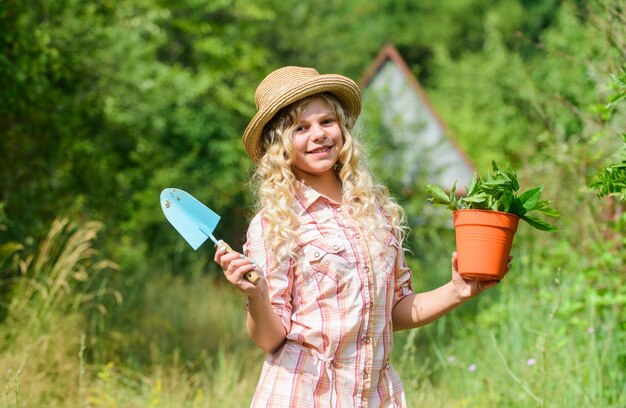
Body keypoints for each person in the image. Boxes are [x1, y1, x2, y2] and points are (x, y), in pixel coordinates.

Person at [214, 66, 507, 407]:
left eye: (326, 121)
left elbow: (393, 310)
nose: (318, 135)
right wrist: (257, 295)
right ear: (280, 145)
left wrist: (458, 290)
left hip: (374, 397)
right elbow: (269, 338)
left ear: (342, 127)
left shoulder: (375, 210)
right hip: (305, 396)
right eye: (300, 128)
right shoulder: (276, 222)